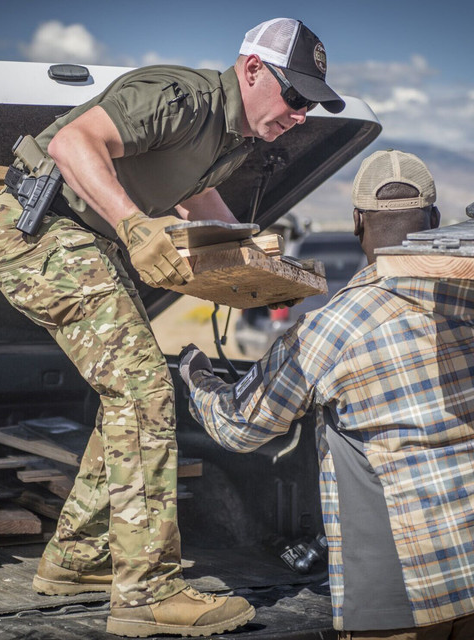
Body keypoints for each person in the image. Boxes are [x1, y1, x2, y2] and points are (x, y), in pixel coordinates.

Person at [0, 17, 344, 638]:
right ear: (252, 69)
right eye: (294, 95)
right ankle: (147, 593)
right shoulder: (180, 96)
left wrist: (258, 267)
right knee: (144, 390)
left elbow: (200, 205)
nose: (300, 114)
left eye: (310, 104)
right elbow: (72, 143)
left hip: (85, 243)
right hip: (40, 231)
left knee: (133, 395)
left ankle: (77, 557)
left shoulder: (231, 137)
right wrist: (132, 225)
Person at [179, 149, 474, 639]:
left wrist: (197, 380)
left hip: (398, 592)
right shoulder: (467, 300)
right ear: (436, 220)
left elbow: (239, 428)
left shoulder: (334, 328)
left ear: (357, 222)